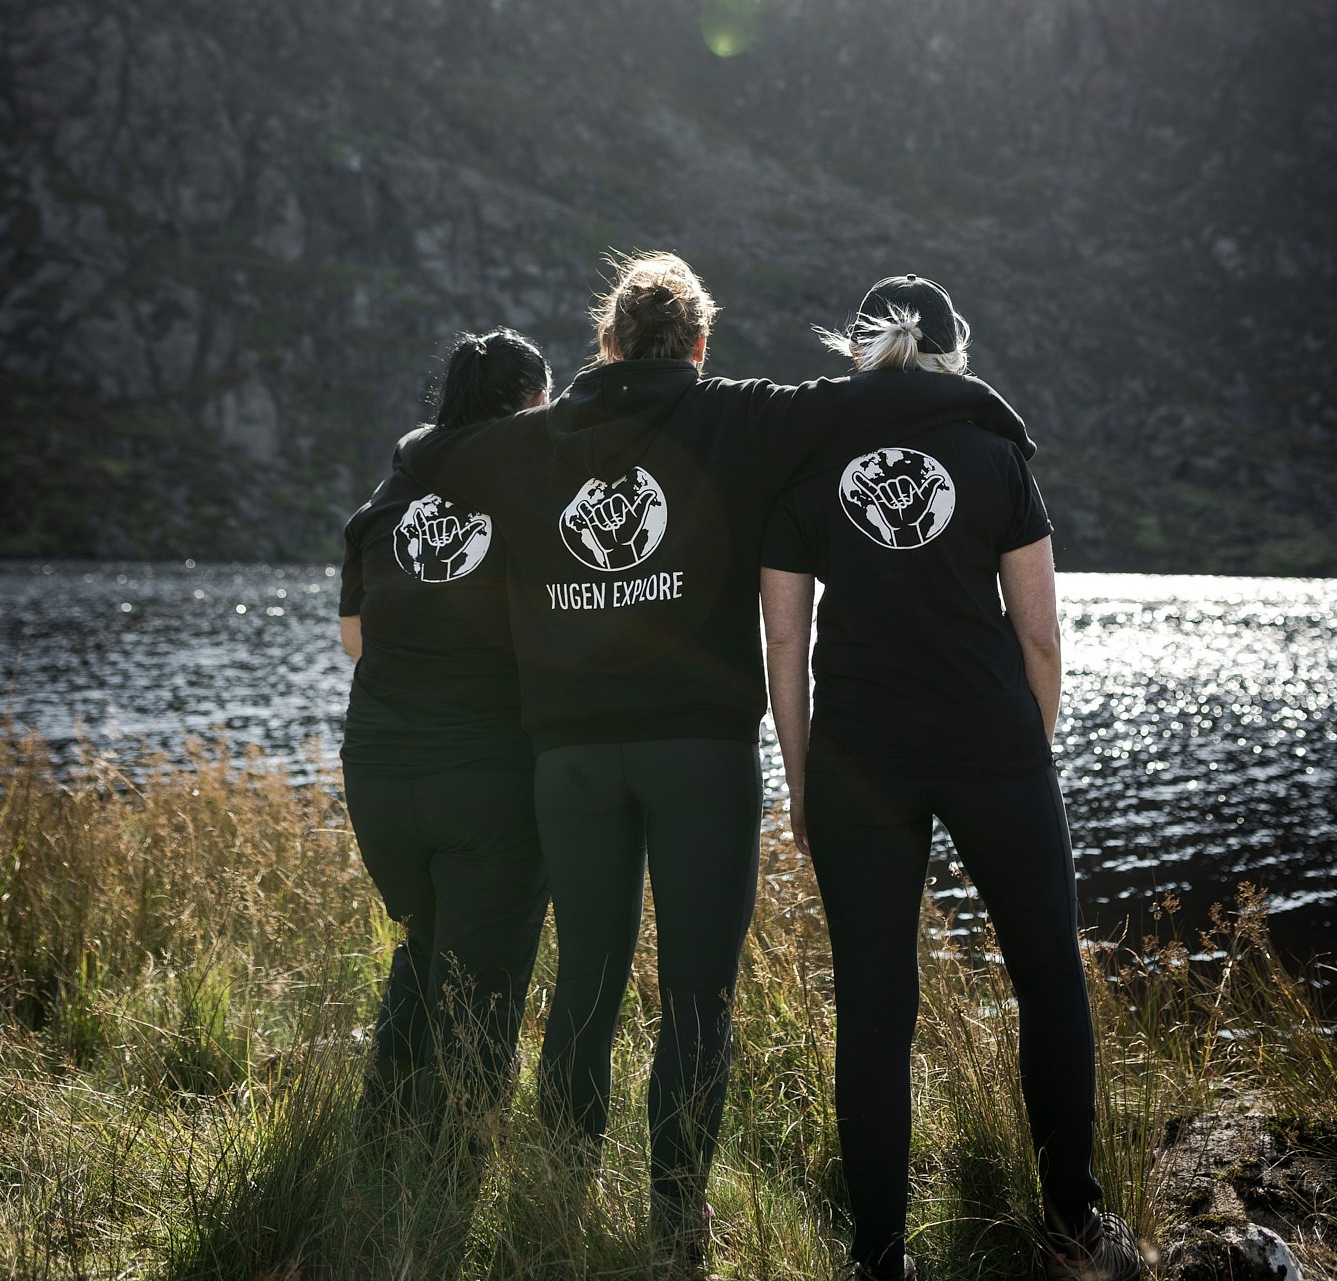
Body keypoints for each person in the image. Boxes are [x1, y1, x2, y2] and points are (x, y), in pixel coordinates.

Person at [394, 252, 1038, 1274]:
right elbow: (871, 397)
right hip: (699, 751)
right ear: (699, 342)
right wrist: (987, 406)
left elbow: (426, 467)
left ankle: (562, 1202)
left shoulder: (531, 437)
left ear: (605, 343)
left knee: (586, 989)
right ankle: (678, 1221)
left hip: (568, 758)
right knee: (698, 997)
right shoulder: (738, 412)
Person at [759, 274, 1141, 1281]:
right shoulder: (994, 447)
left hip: (857, 753)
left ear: (859, 349)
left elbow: (786, 635)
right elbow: (1041, 633)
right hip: (992, 743)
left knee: (875, 1004)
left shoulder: (808, 455)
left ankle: (878, 1258)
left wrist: (801, 774)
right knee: (1050, 981)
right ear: (951, 347)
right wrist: (1031, 746)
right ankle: (1073, 1232)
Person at [339, 327, 552, 1125]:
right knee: (485, 991)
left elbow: (355, 643)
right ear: (533, 402)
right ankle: (456, 1167)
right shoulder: (533, 490)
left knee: (427, 949)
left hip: (380, 780)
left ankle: (383, 1138)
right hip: (487, 781)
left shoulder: (384, 502)